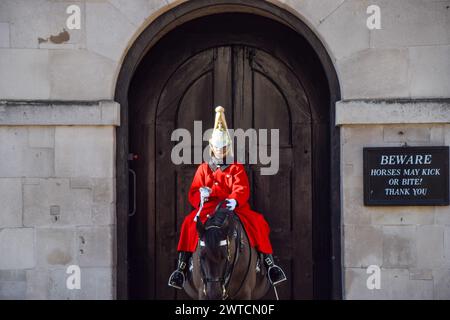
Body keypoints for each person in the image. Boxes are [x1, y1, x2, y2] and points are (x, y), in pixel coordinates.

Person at [168, 106, 286, 289]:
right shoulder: (204, 168)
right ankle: (181, 268)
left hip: (231, 207)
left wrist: (235, 199)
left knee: (258, 222)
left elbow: (242, 187)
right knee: (188, 224)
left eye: (223, 148)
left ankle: (269, 264)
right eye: (217, 148)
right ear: (212, 148)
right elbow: (193, 191)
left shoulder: (236, 167)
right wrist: (200, 195)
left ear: (227, 148)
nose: (220, 151)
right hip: (208, 208)